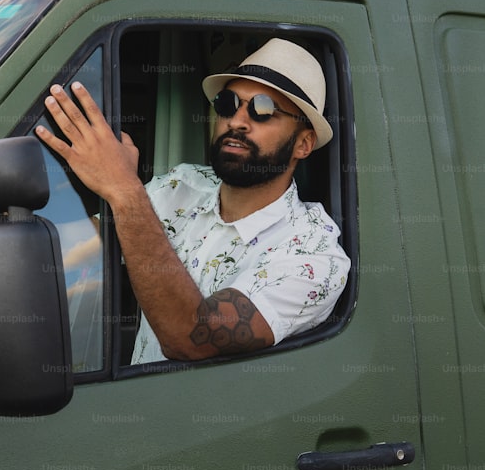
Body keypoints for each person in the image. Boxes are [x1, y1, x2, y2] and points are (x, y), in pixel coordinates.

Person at [35, 38, 351, 363]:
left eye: (263, 109)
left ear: (303, 144)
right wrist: (5, 227)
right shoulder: (182, 185)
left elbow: (194, 340)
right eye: (228, 103)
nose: (237, 121)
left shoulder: (315, 257)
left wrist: (124, 189)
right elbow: (81, 245)